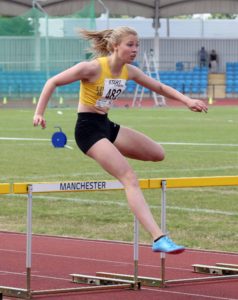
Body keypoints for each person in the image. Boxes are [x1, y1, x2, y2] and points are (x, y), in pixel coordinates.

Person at [33, 26, 208, 254]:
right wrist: (39, 112)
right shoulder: (93, 67)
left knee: (158, 153)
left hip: (106, 125)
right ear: (116, 46)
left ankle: (111, 154)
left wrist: (187, 100)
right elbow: (52, 82)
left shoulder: (129, 71)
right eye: (130, 45)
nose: (135, 50)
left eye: (137, 45)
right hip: (88, 131)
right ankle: (158, 238)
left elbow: (159, 86)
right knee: (129, 177)